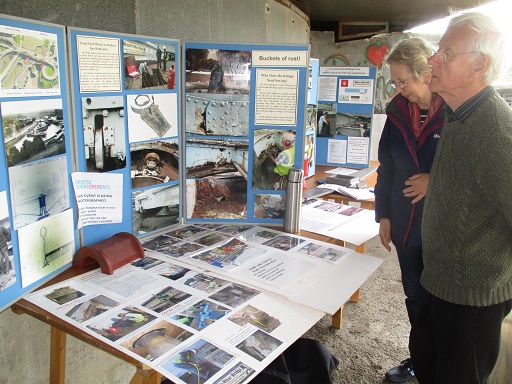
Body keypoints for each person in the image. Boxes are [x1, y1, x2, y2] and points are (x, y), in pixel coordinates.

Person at [409, 12, 512, 384]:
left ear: (479, 65)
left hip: (473, 299)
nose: (432, 60)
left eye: (446, 52)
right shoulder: (458, 117)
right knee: (424, 361)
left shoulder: (498, 133)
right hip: (439, 281)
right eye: (437, 50)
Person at [374, 37, 445, 383]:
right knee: (414, 296)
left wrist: (435, 180)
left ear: (427, 73)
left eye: (404, 81)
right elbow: (386, 168)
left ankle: (444, 363)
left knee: (444, 303)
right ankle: (419, 358)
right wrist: (384, 215)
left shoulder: (455, 112)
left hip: (443, 230)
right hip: (405, 226)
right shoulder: (397, 113)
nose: (399, 90)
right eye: (396, 82)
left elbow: (473, 169)